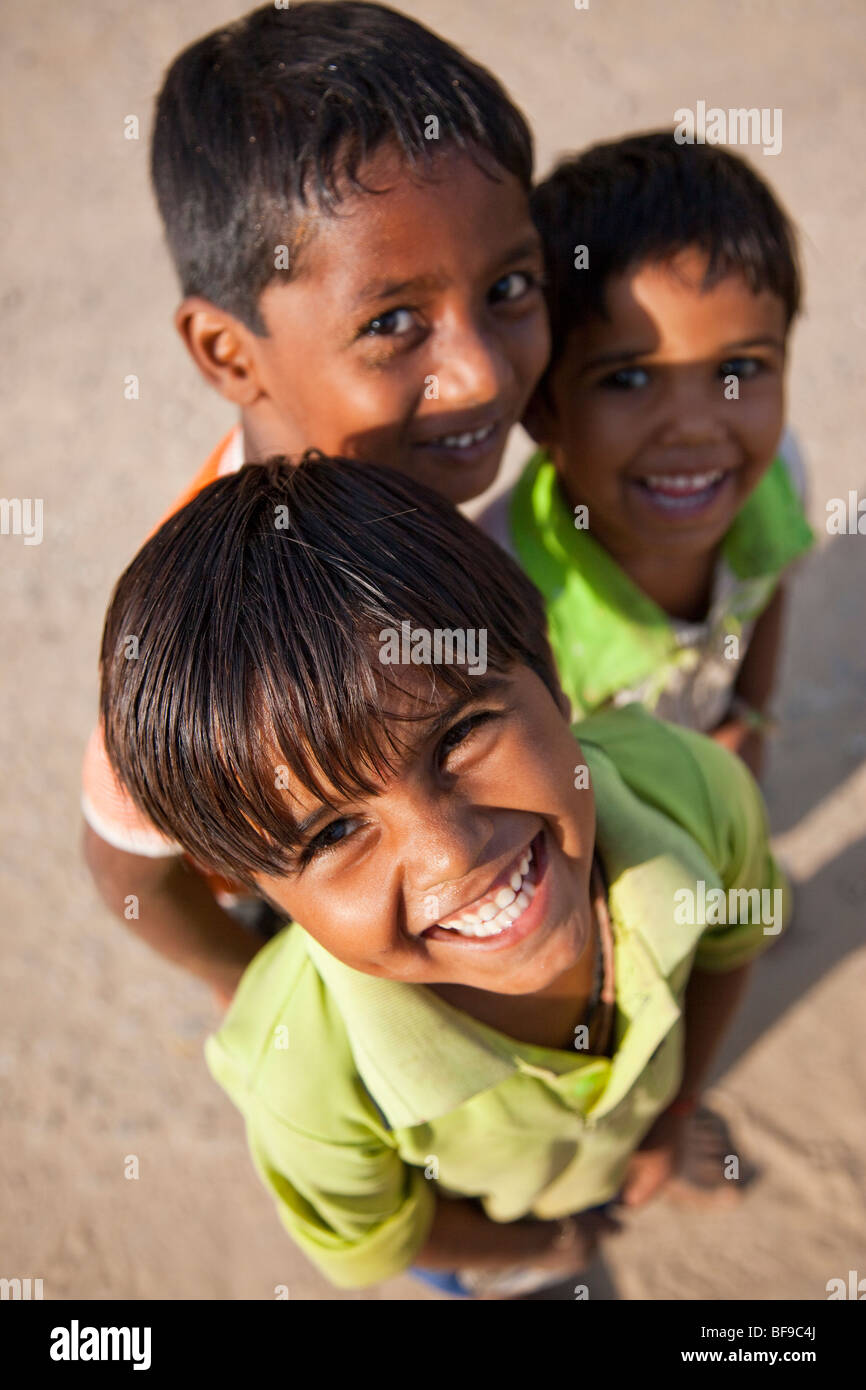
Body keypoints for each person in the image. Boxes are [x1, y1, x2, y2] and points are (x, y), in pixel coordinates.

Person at [98, 454, 789, 1295]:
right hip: (485, 1229)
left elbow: (732, 942)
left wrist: (671, 1114)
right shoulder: (304, 1077)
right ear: (253, 887)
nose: (450, 852)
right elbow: (379, 1241)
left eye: (459, 736)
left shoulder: (689, 791)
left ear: (552, 678)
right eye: (336, 832)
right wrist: (551, 1247)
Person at [82, 1, 550, 996]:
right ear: (225, 352)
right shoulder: (213, 630)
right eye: (391, 320)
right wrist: (261, 991)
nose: (477, 374)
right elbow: (125, 870)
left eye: (508, 286)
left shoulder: (401, 467)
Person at [479, 132, 814, 780]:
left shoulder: (777, 476)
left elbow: (770, 589)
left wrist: (749, 717)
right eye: (628, 379)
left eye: (740, 368)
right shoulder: (505, 590)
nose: (691, 428)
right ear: (540, 408)